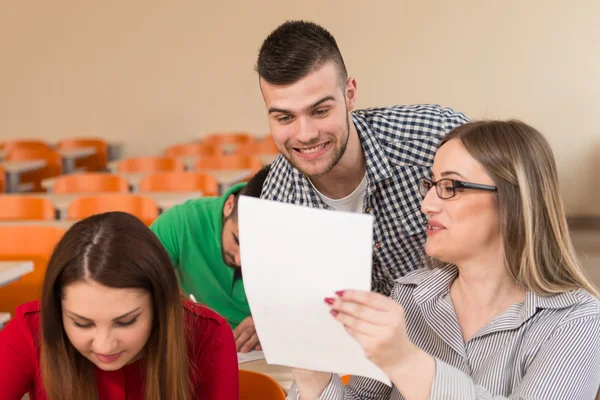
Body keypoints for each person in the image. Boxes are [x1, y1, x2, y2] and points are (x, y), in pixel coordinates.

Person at [289, 120, 600, 399]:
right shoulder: (409, 296)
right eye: (431, 184)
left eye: (450, 186)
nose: (426, 204)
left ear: (512, 202)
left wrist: (405, 361)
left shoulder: (577, 320)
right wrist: (315, 380)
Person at [256, 20, 470, 295]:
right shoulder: (277, 205)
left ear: (350, 95)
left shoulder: (435, 138)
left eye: (320, 111)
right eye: (285, 117)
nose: (305, 135)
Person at [0, 212, 238, 400]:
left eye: (126, 321)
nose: (104, 345)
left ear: (159, 304)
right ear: (58, 306)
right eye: (81, 323)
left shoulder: (208, 334)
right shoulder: (28, 328)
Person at [150, 165, 270, 352]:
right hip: (201, 348)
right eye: (237, 239)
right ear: (229, 206)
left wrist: (279, 322)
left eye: (257, 251)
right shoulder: (182, 222)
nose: (240, 260)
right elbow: (136, 281)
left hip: (270, 351)